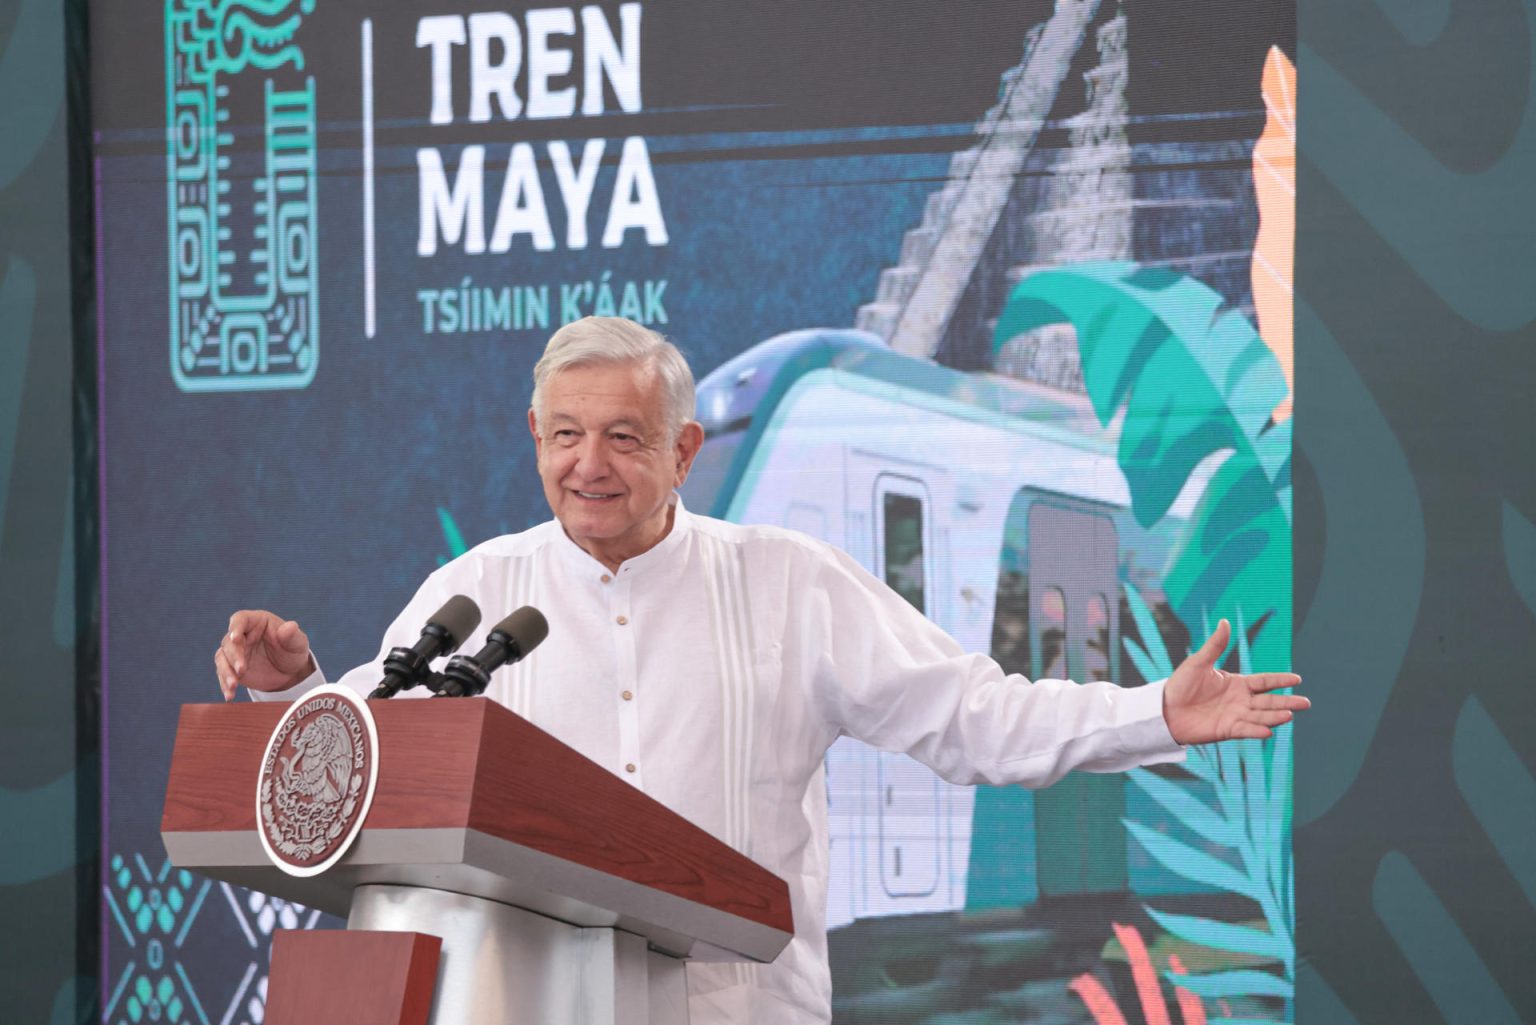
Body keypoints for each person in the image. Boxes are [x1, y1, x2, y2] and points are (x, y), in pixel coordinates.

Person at [215, 317, 1307, 1025]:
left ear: (685, 450)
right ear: (533, 438)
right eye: (564, 434)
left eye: (623, 437)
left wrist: (1158, 709)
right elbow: (374, 751)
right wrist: (293, 693)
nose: (587, 464)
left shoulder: (791, 584)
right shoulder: (479, 587)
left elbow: (976, 716)